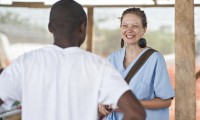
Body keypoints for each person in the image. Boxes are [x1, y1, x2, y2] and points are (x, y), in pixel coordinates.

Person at [0, 1, 146, 120]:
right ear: (83, 28)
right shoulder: (98, 66)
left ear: (50, 28)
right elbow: (136, 113)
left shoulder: (25, 63)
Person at [98, 7, 175, 120]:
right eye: (125, 25)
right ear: (121, 29)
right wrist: (102, 103)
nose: (129, 30)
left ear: (144, 30)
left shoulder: (155, 59)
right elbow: (104, 93)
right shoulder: (112, 58)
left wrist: (131, 104)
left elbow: (166, 101)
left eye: (135, 26)